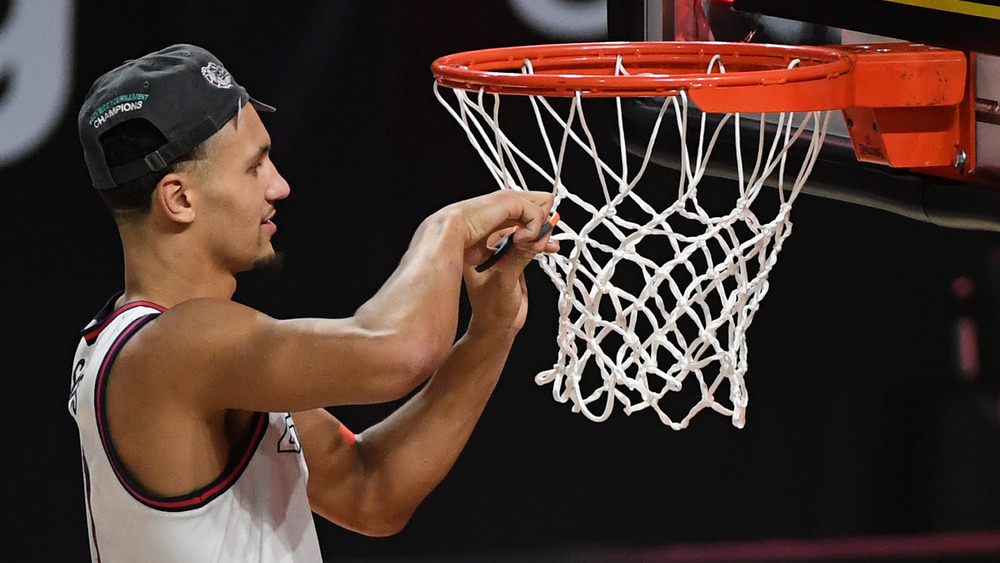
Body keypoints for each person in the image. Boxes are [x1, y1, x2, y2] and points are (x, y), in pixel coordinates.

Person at [69, 44, 557, 562]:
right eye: (254, 167)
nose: (279, 185)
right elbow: (398, 351)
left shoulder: (185, 355)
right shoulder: (171, 348)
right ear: (180, 199)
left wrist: (489, 332)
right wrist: (447, 228)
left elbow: (371, 491)